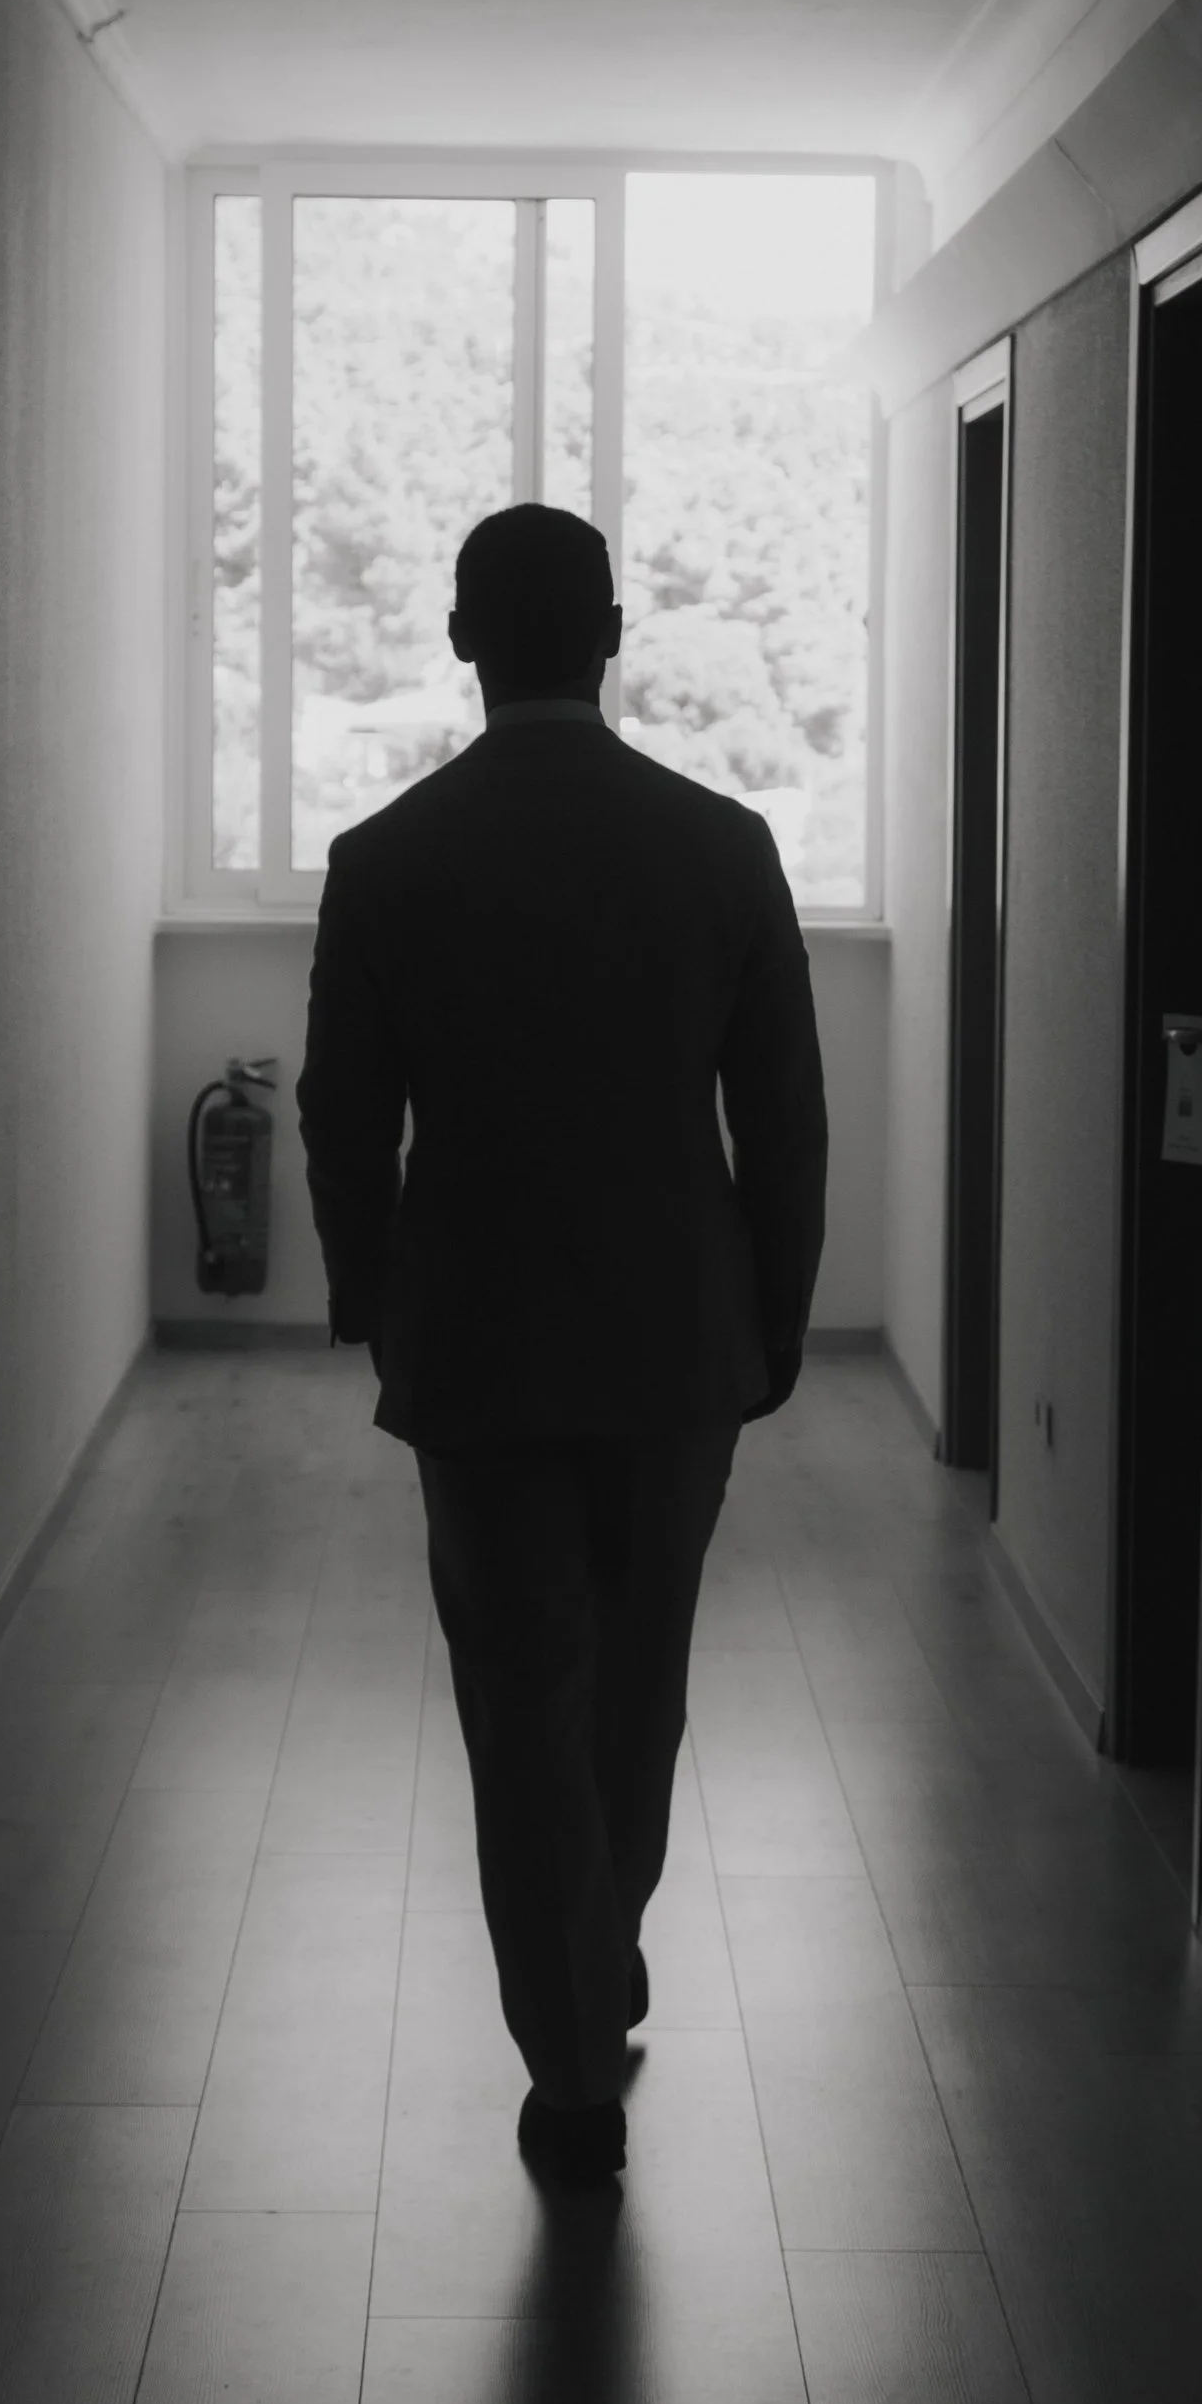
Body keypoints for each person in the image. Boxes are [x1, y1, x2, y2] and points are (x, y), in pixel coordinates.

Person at [297, 504, 827, 2182]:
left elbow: (339, 1118)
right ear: (613, 635)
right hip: (678, 1344)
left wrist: (378, 1302)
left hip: (479, 1344)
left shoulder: (386, 862)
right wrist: (778, 1318)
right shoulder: (723, 846)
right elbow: (786, 1125)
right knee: (638, 1674)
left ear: (462, 639)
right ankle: (605, 1945)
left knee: (522, 1696)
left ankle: (576, 2062)